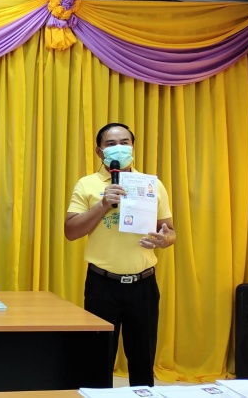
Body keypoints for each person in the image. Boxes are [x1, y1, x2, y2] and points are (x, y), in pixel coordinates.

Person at [64, 123, 176, 387]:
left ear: (133, 148)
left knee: (142, 361)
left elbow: (170, 231)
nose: (119, 148)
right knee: (97, 361)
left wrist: (165, 239)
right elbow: (70, 231)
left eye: (125, 143)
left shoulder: (151, 184)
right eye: (111, 144)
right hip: (102, 285)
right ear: (99, 151)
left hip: (143, 285)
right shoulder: (87, 184)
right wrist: (103, 204)